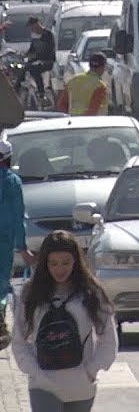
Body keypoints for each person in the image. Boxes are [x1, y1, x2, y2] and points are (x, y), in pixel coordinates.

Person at [12, 230, 118, 412]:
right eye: (53, 263)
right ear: (44, 264)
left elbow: (108, 337)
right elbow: (19, 339)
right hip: (43, 385)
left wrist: (91, 370)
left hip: (80, 386)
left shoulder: (91, 292)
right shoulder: (30, 294)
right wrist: (35, 373)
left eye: (66, 263)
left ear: (76, 262)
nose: (60, 269)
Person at [1, 140, 36, 350]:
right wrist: (23, 248)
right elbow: (17, 218)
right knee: (2, 284)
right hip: (3, 240)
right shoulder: (12, 181)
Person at [24, 18, 56, 101]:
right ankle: (18, 87)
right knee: (24, 67)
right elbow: (32, 49)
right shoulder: (34, 36)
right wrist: (25, 55)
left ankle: (41, 92)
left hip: (48, 61)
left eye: (32, 27)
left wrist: (35, 57)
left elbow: (46, 50)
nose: (31, 29)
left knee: (34, 69)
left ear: (36, 24)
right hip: (36, 60)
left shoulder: (48, 34)